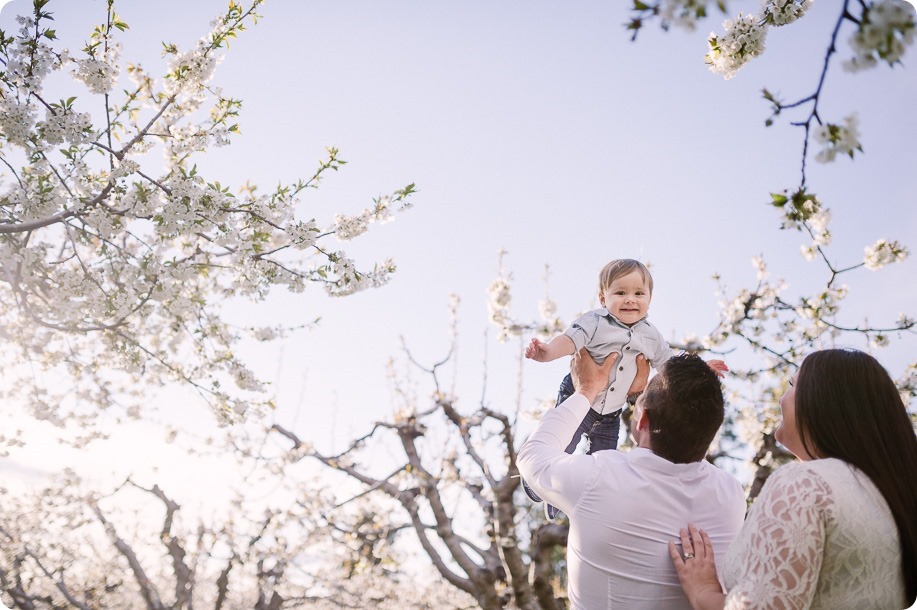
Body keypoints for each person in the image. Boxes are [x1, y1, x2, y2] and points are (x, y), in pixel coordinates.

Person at [670, 348, 917, 610]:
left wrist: (704, 591)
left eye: (792, 385)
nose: (781, 400)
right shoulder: (891, 499)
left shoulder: (803, 483)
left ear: (823, 400)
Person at [517, 349, 746, 609]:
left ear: (643, 419)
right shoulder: (731, 496)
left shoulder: (598, 476)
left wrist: (586, 389)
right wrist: (692, 392)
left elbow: (532, 455)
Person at [521, 258, 726, 519]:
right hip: (580, 397)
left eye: (639, 293)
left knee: (605, 458)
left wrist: (700, 369)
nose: (630, 299)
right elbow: (570, 341)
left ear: (650, 299)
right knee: (565, 444)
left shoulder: (651, 336)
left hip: (612, 409)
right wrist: (548, 352)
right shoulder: (594, 322)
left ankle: (572, 501)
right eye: (620, 293)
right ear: (603, 298)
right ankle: (539, 486)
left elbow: (668, 365)